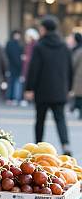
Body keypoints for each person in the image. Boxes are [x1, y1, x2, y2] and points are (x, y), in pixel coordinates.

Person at [25, 16, 72, 154]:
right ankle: (65, 145)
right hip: (60, 90)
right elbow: (69, 68)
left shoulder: (40, 46)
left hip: (42, 90)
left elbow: (34, 69)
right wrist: (68, 88)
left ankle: (38, 147)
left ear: (44, 29)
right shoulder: (64, 46)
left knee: (40, 119)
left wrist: (29, 88)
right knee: (60, 119)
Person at [5, 30, 24, 105]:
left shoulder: (19, 44)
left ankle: (15, 98)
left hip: (16, 67)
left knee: (16, 83)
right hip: (12, 66)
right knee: (11, 83)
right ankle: (10, 98)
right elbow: (11, 55)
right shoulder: (10, 44)